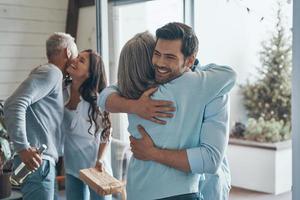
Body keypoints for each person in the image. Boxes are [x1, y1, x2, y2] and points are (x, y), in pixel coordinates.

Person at [99, 22, 236, 200]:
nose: (160, 63)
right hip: (180, 192)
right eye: (156, 54)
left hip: (138, 190)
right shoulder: (196, 85)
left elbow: (103, 97)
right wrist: (136, 106)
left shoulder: (130, 93)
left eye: (170, 57)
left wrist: (134, 107)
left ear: (189, 60)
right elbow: (229, 74)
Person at [4, 32, 78, 200]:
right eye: (76, 54)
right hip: (37, 161)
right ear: (67, 52)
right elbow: (13, 104)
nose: (76, 60)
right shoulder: (52, 73)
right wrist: (23, 148)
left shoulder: (54, 77)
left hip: (43, 163)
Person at [63, 49, 112, 200]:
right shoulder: (61, 90)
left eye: (81, 60)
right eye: (77, 57)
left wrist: (100, 160)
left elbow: (107, 132)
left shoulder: (96, 101)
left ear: (89, 74)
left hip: (94, 167)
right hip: (71, 167)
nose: (75, 60)